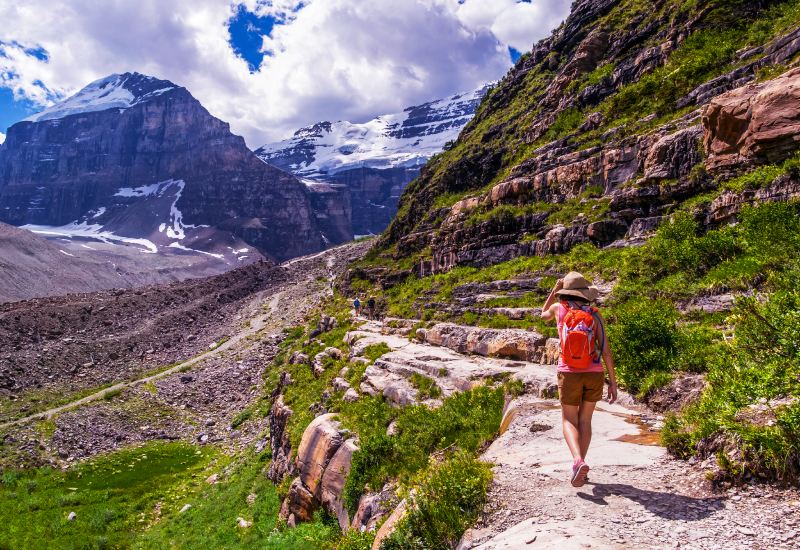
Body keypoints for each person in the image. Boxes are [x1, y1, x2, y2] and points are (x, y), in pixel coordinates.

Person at [541, 271, 618, 487]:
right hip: (593, 373)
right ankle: (581, 466)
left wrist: (553, 292)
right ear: (585, 294)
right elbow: (606, 350)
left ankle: (577, 461)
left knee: (568, 419)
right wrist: (613, 382)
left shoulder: (559, 309)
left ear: (565, 292)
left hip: (568, 372)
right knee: (585, 420)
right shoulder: (594, 314)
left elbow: (541, 314)